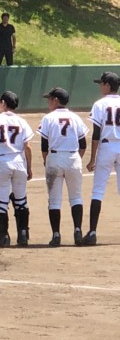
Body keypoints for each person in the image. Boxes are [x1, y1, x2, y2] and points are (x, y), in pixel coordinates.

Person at [38, 87, 88, 246]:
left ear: (56, 100)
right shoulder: (76, 117)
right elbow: (83, 144)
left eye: (49, 99)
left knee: (54, 200)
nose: (48, 102)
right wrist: (75, 159)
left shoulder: (48, 118)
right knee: (76, 197)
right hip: (73, 158)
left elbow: (44, 146)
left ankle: (56, 235)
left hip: (55, 158)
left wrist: (47, 161)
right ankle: (78, 231)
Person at [0, 91, 33, 247]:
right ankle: (23, 235)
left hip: (2, 161)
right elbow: (27, 147)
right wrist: (29, 167)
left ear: (4, 103)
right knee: (21, 200)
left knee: (0, 201)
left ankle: (3, 238)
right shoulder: (21, 121)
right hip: (19, 161)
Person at [84, 71, 120, 246]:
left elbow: (96, 134)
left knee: (98, 191)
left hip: (106, 147)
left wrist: (92, 159)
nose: (100, 86)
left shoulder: (99, 104)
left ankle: (92, 232)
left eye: (101, 83)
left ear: (107, 85)